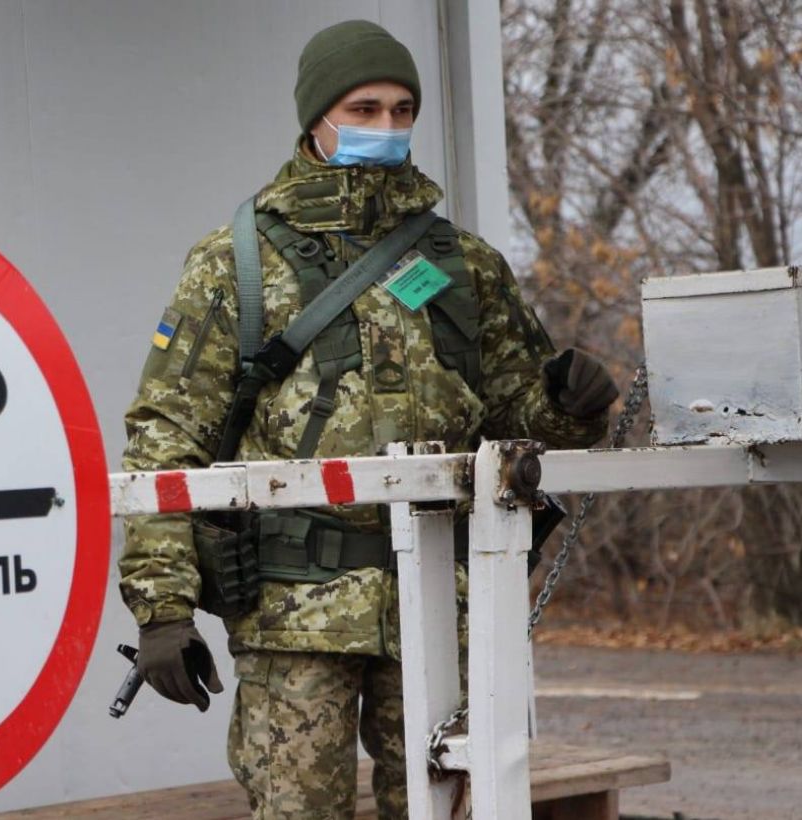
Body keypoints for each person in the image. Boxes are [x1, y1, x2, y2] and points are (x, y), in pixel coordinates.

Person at [119, 19, 617, 819]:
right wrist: (162, 607)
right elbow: (165, 439)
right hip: (294, 611)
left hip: (443, 603)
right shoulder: (238, 262)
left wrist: (566, 406)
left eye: (401, 109)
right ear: (316, 116)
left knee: (451, 807)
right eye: (363, 109)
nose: (386, 126)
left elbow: (512, 422)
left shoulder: (463, 264)